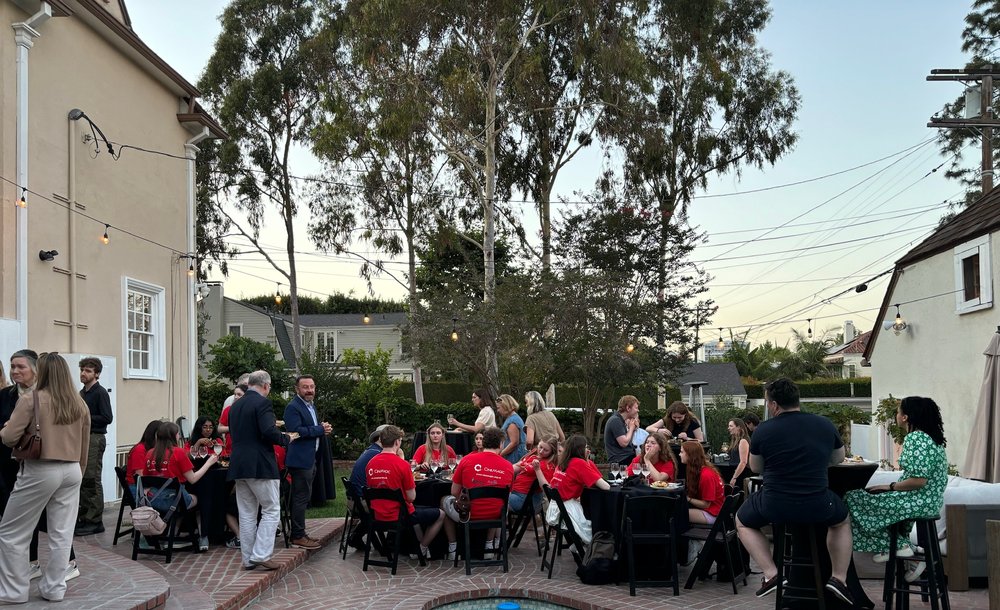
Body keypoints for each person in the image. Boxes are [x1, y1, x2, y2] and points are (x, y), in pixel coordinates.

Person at [735, 378, 854, 604]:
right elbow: (838, 458)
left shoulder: (763, 430)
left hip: (775, 504)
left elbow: (756, 467)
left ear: (774, 405)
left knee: (742, 521)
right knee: (841, 521)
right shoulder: (824, 424)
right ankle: (839, 578)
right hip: (817, 503)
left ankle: (772, 574)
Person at [0, 353, 90, 603]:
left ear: (43, 372)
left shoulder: (31, 399)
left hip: (40, 468)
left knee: (12, 532)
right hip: (72, 469)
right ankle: (54, 588)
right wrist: (80, 471)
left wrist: (6, 428)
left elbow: (9, 438)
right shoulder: (79, 403)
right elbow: (85, 445)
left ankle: (13, 591)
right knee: (62, 533)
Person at [846, 396, 948, 583]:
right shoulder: (933, 439)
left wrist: (890, 486)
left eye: (898, 411)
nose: (896, 415)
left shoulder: (916, 438)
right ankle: (908, 553)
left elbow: (918, 480)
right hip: (928, 502)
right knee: (870, 501)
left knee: (852, 498)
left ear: (905, 417)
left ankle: (898, 545)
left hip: (915, 500)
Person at [227, 371, 296, 571]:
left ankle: (248, 558)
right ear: (266, 385)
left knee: (246, 513)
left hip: (239, 464)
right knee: (271, 509)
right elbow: (268, 431)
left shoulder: (235, 405)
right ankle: (262, 554)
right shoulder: (262, 403)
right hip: (260, 464)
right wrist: (286, 438)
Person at [366, 425, 445, 560]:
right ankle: (423, 547)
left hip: (376, 515)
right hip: (400, 515)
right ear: (397, 442)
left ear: (382, 441)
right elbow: (411, 497)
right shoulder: (402, 465)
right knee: (440, 514)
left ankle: (419, 549)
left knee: (413, 510)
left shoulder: (370, 463)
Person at [140, 422, 219, 550]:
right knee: (201, 499)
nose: (179, 436)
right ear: (173, 436)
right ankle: (202, 536)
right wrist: (209, 463)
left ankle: (173, 534)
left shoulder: (150, 453)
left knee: (180, 499)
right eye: (178, 434)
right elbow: (193, 479)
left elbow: (146, 480)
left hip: (153, 501)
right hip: (174, 501)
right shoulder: (178, 452)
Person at [442, 426, 514, 557]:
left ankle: (453, 547)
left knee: (444, 500)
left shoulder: (467, 460)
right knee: (497, 504)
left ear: (483, 442)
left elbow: (454, 492)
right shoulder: (509, 466)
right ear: (501, 444)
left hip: (469, 514)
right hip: (497, 516)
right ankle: (489, 546)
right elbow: (507, 496)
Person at [283, 374, 332, 551]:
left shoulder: (310, 405)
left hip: (311, 458)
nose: (309, 390)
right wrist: (320, 429)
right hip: (300, 460)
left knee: (304, 497)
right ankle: (297, 536)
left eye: (312, 387)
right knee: (300, 497)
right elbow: (295, 431)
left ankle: (300, 533)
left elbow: (311, 428)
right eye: (305, 387)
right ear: (297, 389)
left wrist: (323, 428)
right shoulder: (293, 407)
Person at [536, 435, 609, 545]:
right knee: (598, 522)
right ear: (580, 449)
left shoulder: (562, 462)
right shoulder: (579, 463)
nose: (587, 449)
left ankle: (578, 545)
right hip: (566, 513)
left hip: (554, 511)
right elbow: (606, 486)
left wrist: (586, 461)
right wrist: (586, 462)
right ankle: (586, 548)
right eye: (586, 447)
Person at [75, 357, 113, 536]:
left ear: (97, 374)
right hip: (82, 438)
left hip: (95, 438)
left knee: (91, 478)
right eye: (82, 370)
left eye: (88, 371)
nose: (83, 373)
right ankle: (84, 516)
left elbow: (107, 418)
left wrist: (85, 417)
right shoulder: (82, 393)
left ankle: (95, 520)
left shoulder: (100, 393)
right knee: (82, 478)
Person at [0, 350, 38, 516]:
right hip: (8, 460)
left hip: (36, 459)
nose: (15, 371)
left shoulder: (46, 395)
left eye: (21, 367)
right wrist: (6, 427)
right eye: (12, 366)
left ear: (35, 369)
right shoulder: (5, 394)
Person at [509, 436, 557, 513]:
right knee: (495, 494)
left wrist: (537, 469)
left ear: (552, 452)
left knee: (496, 499)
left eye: (546, 450)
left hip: (526, 500)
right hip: (515, 492)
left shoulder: (548, 465)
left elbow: (546, 488)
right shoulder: (534, 456)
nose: (541, 451)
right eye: (540, 447)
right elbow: (517, 466)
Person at [681, 441, 725, 524]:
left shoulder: (706, 475)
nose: (679, 454)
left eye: (682, 452)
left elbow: (706, 504)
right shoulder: (702, 470)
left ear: (690, 455)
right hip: (714, 511)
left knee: (676, 514)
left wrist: (688, 499)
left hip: (713, 514)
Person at [604, 395, 641, 466]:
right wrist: (631, 428)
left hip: (625, 459)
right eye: (636, 408)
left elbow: (628, 441)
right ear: (628, 408)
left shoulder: (621, 420)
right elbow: (624, 443)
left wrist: (633, 429)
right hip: (620, 462)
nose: (638, 410)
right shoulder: (615, 420)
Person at [217, 375, 249, 456]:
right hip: (230, 450)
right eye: (235, 394)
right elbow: (219, 428)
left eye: (239, 394)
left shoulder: (252, 410)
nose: (236, 397)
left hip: (247, 449)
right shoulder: (228, 409)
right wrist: (233, 428)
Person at [496, 394, 526, 465]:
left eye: (499, 408)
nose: (498, 410)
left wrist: (500, 454)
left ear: (505, 406)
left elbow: (514, 443)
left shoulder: (512, 421)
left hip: (514, 456)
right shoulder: (512, 418)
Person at [726, 418, 752, 488]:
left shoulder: (743, 441)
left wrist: (734, 477)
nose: (728, 428)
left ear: (739, 427)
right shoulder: (736, 441)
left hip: (741, 474)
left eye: (731, 426)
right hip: (737, 472)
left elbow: (743, 462)